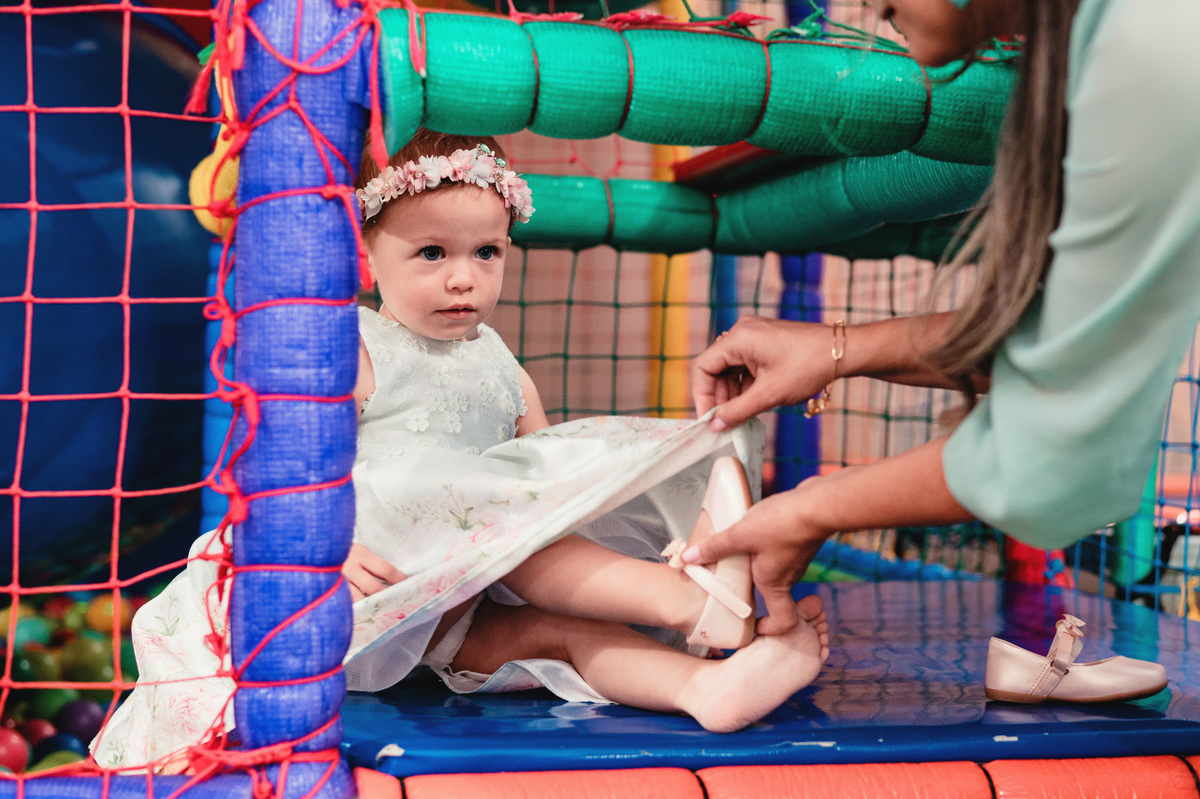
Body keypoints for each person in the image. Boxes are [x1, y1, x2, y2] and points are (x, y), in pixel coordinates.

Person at [93, 129, 830, 772]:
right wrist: (314, 542)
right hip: (356, 585)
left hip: (448, 610)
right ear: (367, 253)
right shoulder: (354, 341)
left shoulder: (501, 363)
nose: (462, 277)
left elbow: (556, 475)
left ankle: (702, 687)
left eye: (486, 253)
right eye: (432, 253)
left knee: (555, 619)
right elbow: (276, 467)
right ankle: (699, 601)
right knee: (515, 536)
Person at [685, 0, 1200, 634]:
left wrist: (810, 508)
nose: (870, 6)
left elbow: (1052, 454)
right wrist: (838, 348)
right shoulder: (1114, 40)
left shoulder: (1145, 42)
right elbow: (1066, 345)